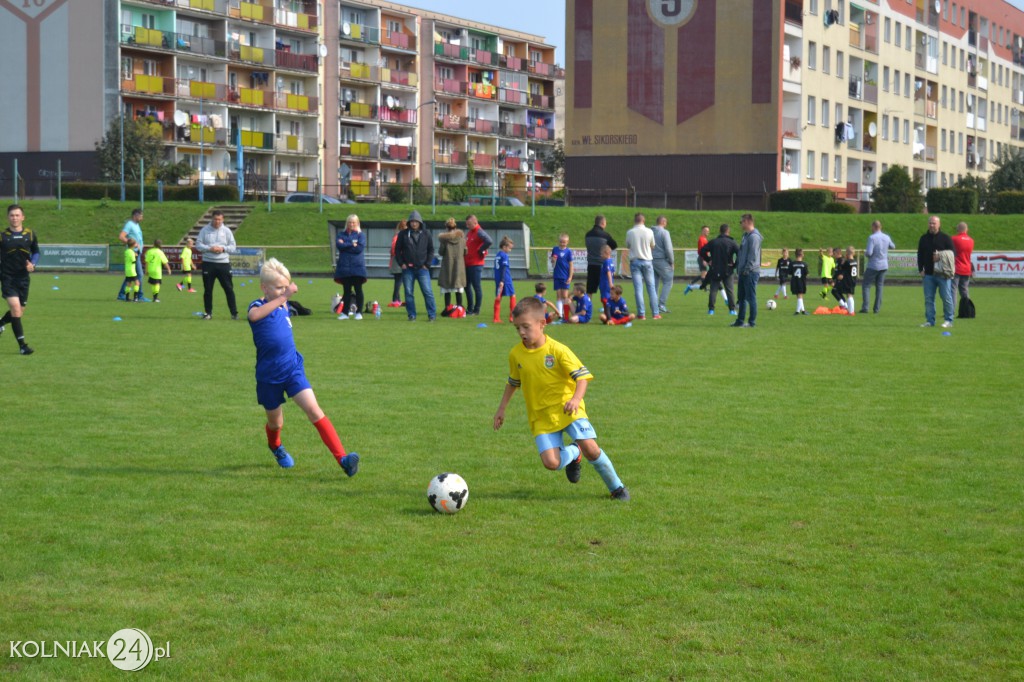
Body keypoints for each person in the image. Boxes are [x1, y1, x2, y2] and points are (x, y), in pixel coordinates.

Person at [493, 297, 629, 501]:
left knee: (591, 449)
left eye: (526, 327)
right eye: (517, 328)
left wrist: (575, 399)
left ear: (542, 323)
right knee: (551, 463)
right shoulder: (516, 354)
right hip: (541, 415)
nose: (521, 332)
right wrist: (501, 409)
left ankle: (617, 488)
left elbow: (582, 378)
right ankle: (574, 452)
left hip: (568, 409)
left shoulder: (558, 350)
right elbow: (513, 382)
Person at [247, 258, 359, 476]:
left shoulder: (283, 304)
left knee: (314, 410)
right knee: (276, 423)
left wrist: (283, 298)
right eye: (278, 287)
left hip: (292, 369)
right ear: (264, 288)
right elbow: (254, 317)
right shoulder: (258, 306)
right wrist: (283, 297)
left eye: (285, 287)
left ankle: (343, 460)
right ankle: (276, 446)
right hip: (269, 376)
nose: (284, 291)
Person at [0, 204, 38, 354]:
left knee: (20, 311)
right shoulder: (2, 236)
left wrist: (33, 264)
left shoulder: (30, 234)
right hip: (7, 277)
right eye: (12, 215)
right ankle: (23, 346)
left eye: (17, 215)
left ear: (23, 217)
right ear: (8, 217)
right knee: (15, 308)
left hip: (23, 279)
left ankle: (1, 322)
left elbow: (36, 252)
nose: (14, 218)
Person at [195, 210, 238, 320]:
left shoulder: (227, 231)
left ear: (223, 219)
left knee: (229, 289)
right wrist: (210, 248)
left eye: (219, 219)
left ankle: (234, 314)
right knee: (208, 290)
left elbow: (233, 246)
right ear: (212, 218)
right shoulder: (205, 230)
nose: (217, 221)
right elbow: (198, 245)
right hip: (208, 263)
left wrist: (223, 249)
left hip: (223, 264)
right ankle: (208, 313)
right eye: (215, 219)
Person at [395, 210, 437, 322]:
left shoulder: (426, 234)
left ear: (420, 222)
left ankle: (432, 315)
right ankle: (411, 315)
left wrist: (427, 264)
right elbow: (397, 250)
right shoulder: (403, 234)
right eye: (412, 221)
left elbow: (431, 250)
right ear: (409, 222)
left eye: (416, 221)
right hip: (408, 269)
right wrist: (401, 263)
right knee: (408, 293)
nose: (414, 223)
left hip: (422, 269)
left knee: (427, 292)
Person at [917, 215, 955, 328]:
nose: (932, 225)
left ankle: (949, 320)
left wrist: (941, 256)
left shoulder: (946, 238)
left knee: (946, 297)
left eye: (934, 223)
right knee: (929, 299)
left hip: (943, 274)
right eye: (930, 223)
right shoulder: (923, 238)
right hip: (928, 274)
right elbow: (920, 254)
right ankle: (930, 321)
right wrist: (920, 269)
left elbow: (953, 253)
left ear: (939, 224)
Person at [625, 212, 659, 320]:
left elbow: (628, 245)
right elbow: (652, 245)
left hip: (635, 261)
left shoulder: (630, 232)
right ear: (643, 220)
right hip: (647, 261)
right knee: (651, 288)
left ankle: (641, 314)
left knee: (638, 289)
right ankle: (655, 313)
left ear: (635, 220)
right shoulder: (649, 231)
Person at [333, 214, 367, 320]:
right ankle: (345, 313)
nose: (351, 224)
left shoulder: (361, 235)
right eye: (349, 222)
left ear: (357, 223)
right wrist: (352, 244)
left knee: (358, 289)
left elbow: (359, 249)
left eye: (353, 222)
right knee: (346, 291)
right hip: (344, 267)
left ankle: (359, 312)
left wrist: (346, 245)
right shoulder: (341, 234)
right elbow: (339, 246)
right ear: (346, 223)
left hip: (357, 267)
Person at [699, 223, 738, 316]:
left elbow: (702, 251)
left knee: (713, 290)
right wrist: (735, 265)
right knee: (730, 290)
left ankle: (711, 310)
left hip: (715, 269)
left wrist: (708, 260)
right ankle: (732, 310)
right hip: (728, 269)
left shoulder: (714, 242)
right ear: (728, 231)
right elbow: (740, 253)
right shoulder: (732, 242)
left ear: (720, 231)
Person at [732, 213, 762, 328]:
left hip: (750, 272)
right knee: (741, 298)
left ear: (748, 222)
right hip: (743, 271)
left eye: (741, 222)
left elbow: (752, 256)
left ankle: (751, 322)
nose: (740, 224)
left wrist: (747, 269)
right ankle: (740, 321)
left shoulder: (754, 237)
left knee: (750, 298)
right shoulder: (746, 236)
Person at [861, 220, 895, 314]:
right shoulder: (886, 237)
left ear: (874, 227)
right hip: (884, 265)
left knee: (866, 285)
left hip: (873, 265)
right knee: (879, 287)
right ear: (880, 227)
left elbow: (869, 252)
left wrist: (865, 253)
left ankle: (865, 307)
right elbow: (893, 246)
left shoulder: (872, 238)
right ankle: (876, 309)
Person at [463, 214, 492, 316]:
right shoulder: (470, 232)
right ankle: (470, 308)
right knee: (466, 286)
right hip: (467, 263)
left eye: (469, 224)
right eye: (467, 224)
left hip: (476, 264)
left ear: (475, 222)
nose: (467, 226)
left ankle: (476, 309)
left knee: (476, 286)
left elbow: (489, 241)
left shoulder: (479, 232)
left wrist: (481, 250)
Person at [437, 217, 467, 317]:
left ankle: (448, 309)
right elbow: (465, 251)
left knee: (447, 288)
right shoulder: (462, 239)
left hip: (447, 266)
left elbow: (441, 252)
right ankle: (460, 309)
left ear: (446, 227)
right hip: (459, 266)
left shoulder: (444, 240)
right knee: (458, 289)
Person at [117, 208, 146, 301]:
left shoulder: (136, 225)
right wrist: (131, 243)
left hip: (137, 252)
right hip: (133, 253)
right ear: (135, 215)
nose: (142, 218)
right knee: (139, 275)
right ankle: (139, 296)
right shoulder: (129, 224)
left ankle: (122, 295)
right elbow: (121, 236)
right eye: (140, 216)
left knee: (131, 276)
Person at [585, 214, 617, 296]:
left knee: (590, 290)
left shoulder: (588, 234)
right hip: (603, 265)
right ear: (603, 223)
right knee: (606, 289)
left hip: (591, 264)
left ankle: (588, 303)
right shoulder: (605, 235)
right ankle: (607, 304)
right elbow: (614, 245)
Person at [651, 215, 674, 314]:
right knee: (668, 280)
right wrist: (671, 261)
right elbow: (668, 248)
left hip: (650, 259)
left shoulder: (650, 231)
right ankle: (661, 305)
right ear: (663, 222)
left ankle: (654, 305)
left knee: (654, 284)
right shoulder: (664, 232)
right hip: (661, 260)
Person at [549, 232, 574, 319]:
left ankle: (566, 313)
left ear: (567, 242)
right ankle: (560, 314)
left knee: (565, 296)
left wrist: (570, 276)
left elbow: (571, 265)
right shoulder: (555, 249)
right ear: (558, 241)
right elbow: (552, 262)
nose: (562, 243)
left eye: (564, 242)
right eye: (561, 242)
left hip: (565, 276)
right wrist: (553, 259)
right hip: (557, 275)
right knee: (558, 295)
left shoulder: (568, 251)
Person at [493, 235, 517, 323]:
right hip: (505, 279)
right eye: (509, 248)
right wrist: (503, 280)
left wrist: (499, 280)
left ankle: (496, 318)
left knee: (498, 296)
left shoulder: (498, 254)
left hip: (497, 278)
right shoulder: (504, 256)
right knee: (512, 295)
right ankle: (512, 317)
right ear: (504, 247)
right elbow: (504, 268)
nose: (510, 250)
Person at [952, 221, 974, 310]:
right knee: (964, 290)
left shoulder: (954, 239)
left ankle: (951, 310)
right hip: (967, 268)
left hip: (956, 268)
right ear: (966, 229)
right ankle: (967, 309)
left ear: (958, 229)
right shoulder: (971, 240)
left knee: (953, 290)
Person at [684, 225, 710, 295]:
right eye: (706, 231)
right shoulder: (701, 239)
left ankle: (691, 284)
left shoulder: (705, 239)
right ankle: (704, 288)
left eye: (708, 231)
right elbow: (701, 251)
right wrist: (704, 259)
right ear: (702, 231)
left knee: (703, 274)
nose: (707, 232)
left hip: (703, 258)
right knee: (704, 274)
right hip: (702, 258)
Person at [144, 239, 171, 303]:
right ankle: (155, 298)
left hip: (150, 269)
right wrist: (169, 269)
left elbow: (147, 262)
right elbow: (165, 262)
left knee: (153, 283)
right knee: (157, 284)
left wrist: (146, 270)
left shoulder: (149, 251)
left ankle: (154, 297)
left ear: (153, 244)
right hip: (157, 270)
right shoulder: (160, 252)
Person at [387, 220, 406, 307]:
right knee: (399, 281)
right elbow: (394, 250)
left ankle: (398, 300)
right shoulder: (400, 236)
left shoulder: (396, 235)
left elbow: (391, 250)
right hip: (398, 261)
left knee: (398, 281)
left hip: (396, 261)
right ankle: (395, 299)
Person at [834, 246, 858, 315]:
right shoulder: (855, 262)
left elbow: (842, 268)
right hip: (853, 279)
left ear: (847, 253)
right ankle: (851, 311)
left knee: (849, 295)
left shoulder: (847, 262)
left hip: (848, 280)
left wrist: (843, 261)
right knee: (850, 294)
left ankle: (851, 312)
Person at [788, 248, 809, 315]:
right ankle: (797, 311)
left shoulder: (792, 263)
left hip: (794, 281)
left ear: (795, 255)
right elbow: (806, 273)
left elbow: (789, 272)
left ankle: (803, 310)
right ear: (802, 255)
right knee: (800, 295)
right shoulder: (804, 264)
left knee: (798, 296)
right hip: (801, 281)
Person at [598, 244, 615, 319]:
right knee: (606, 299)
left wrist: (610, 283)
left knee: (605, 299)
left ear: (606, 253)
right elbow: (613, 272)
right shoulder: (611, 261)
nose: (600, 255)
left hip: (605, 284)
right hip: (607, 283)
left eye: (601, 253)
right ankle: (607, 313)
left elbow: (608, 272)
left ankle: (608, 315)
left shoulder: (606, 262)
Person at [123, 238, 141, 303]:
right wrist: (136, 254)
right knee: (137, 283)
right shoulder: (131, 252)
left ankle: (127, 298)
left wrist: (136, 252)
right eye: (135, 243)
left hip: (127, 269)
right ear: (133, 245)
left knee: (128, 284)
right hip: (132, 270)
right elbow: (134, 261)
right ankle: (135, 298)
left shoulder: (126, 251)